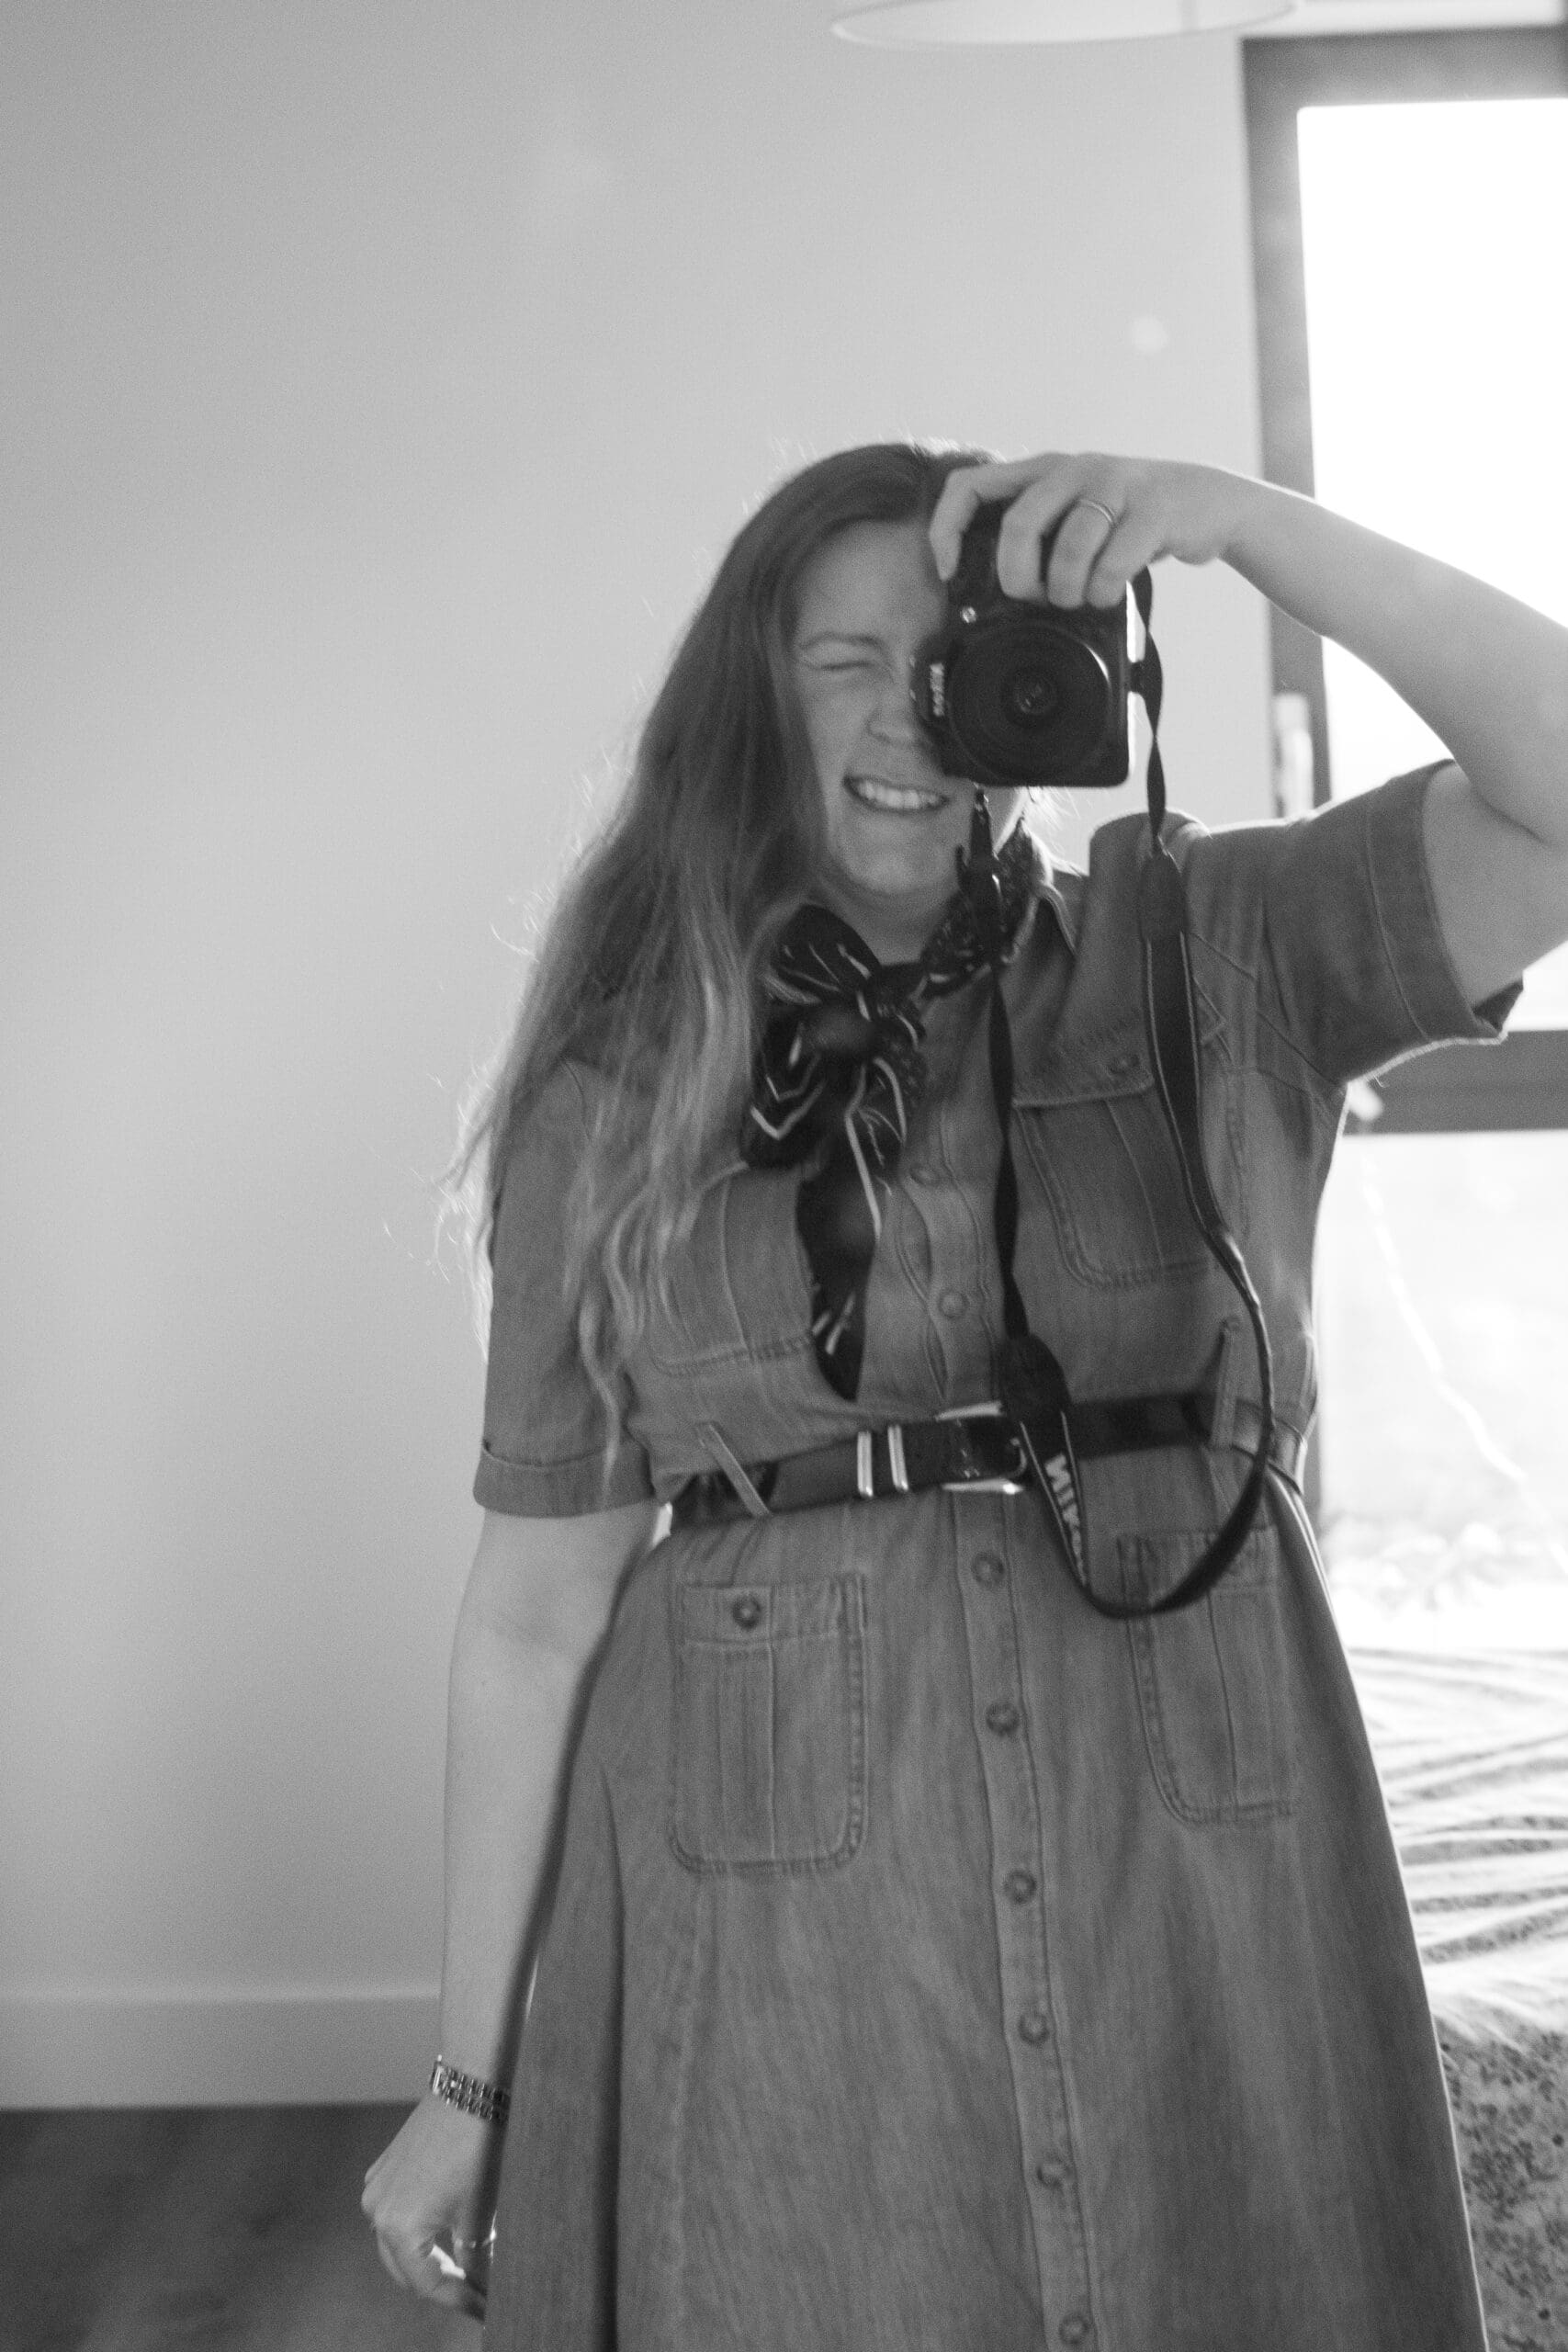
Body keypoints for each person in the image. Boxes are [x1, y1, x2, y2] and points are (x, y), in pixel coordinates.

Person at [362, 441, 1568, 2350]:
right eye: (842, 659)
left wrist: (1244, 521)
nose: (904, 713)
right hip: (777, 1889)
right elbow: (534, 1606)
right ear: (749, 699)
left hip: (1198, 1843)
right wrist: (467, 2078)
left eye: (952, 653)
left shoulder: (1211, 953)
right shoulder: (616, 1084)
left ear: (1058, 675)